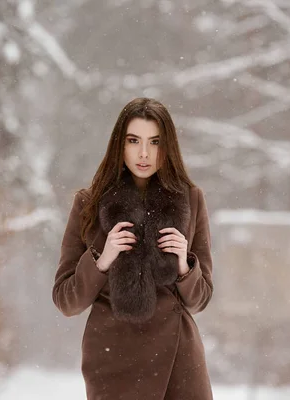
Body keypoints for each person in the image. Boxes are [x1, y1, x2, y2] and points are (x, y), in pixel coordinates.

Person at [52, 97, 214, 400]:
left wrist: (184, 265)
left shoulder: (191, 199)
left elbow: (201, 300)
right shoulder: (88, 204)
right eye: (133, 140)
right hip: (112, 360)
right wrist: (102, 258)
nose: (144, 153)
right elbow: (66, 301)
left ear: (168, 147)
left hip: (179, 360)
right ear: (119, 144)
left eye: (155, 142)